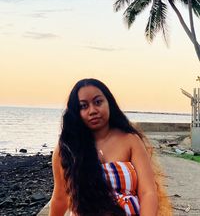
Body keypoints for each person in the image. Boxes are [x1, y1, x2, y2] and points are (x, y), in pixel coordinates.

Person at [49, 78, 172, 216]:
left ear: (109, 103)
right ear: (76, 112)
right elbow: (60, 198)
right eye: (83, 106)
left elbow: (148, 192)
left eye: (98, 102)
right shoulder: (66, 150)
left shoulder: (130, 140)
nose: (92, 110)